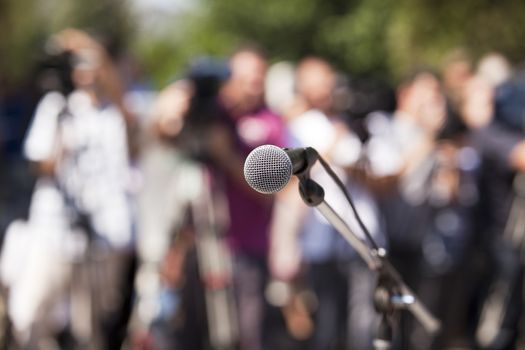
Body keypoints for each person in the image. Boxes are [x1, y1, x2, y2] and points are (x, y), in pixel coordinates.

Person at [134, 46, 287, 350]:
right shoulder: (211, 115)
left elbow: (269, 190)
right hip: (194, 244)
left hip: (246, 247)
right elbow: (159, 137)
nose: (253, 87)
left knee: (246, 333)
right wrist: (170, 110)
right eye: (245, 79)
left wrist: (226, 155)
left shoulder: (270, 122)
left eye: (259, 79)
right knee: (185, 328)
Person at [2, 28, 136, 349]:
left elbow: (129, 121)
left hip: (100, 233)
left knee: (91, 326)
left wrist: (92, 48)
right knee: (29, 313)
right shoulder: (56, 105)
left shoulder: (111, 112)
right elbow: (39, 162)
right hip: (53, 228)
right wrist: (63, 141)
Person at [269, 57, 384, 350]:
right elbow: (291, 181)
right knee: (326, 326)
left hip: (357, 236)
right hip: (319, 240)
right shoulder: (297, 126)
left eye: (329, 80)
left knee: (361, 324)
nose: (327, 88)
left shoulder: (348, 121)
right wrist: (333, 145)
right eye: (318, 82)